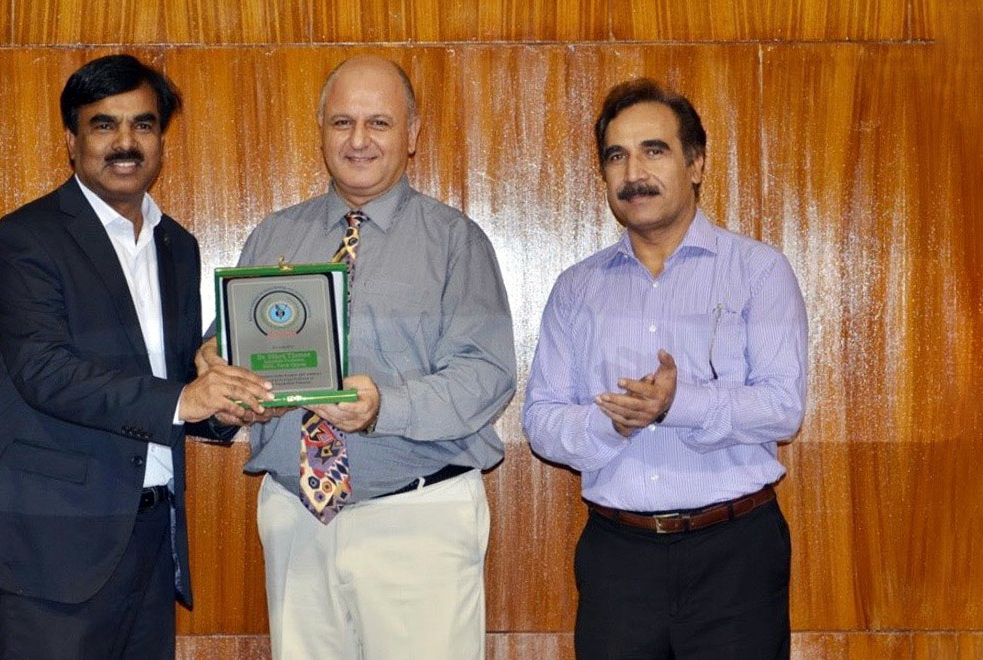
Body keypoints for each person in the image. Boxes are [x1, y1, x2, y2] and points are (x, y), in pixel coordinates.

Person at [198, 55, 516, 659]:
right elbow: (228, 350)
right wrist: (222, 381)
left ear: (413, 134)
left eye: (379, 123)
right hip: (296, 517)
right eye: (342, 122)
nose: (359, 140)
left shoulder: (454, 241)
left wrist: (382, 408)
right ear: (320, 131)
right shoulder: (274, 236)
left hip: (416, 518)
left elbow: (487, 375)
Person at [0, 54, 274, 660]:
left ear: (161, 139)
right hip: (52, 547)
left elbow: (177, 374)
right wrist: (187, 398)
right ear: (71, 141)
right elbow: (44, 372)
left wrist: (223, 405)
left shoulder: (176, 244)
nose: (125, 143)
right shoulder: (26, 237)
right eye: (104, 125)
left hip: (153, 539)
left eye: (144, 125)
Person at [522, 78, 808, 660]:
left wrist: (679, 405)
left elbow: (783, 406)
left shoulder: (757, 270)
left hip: (735, 553)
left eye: (654, 150)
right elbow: (542, 420)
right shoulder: (576, 289)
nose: (634, 172)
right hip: (618, 556)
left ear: (696, 164)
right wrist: (615, 424)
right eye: (616, 156)